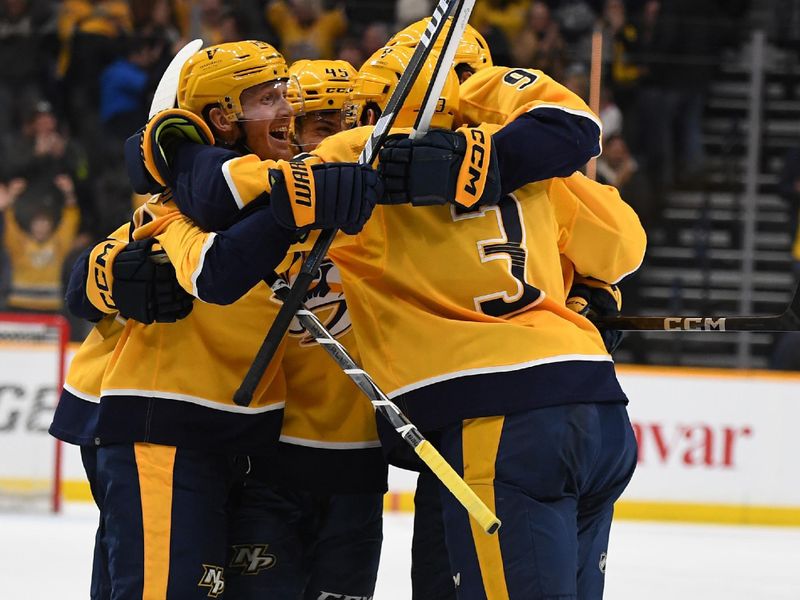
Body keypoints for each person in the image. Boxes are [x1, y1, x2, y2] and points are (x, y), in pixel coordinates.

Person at [158, 41, 646, 599]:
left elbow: (222, 206)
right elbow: (623, 246)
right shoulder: (535, 167)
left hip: (496, 417)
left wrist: (167, 144)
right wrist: (592, 291)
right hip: (596, 407)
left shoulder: (358, 154)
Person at [49, 40, 380, 599]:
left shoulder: (359, 202)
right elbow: (115, 267)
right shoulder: (226, 191)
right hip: (169, 425)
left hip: (251, 443)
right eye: (313, 118)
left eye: (342, 122)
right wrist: (107, 274)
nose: (325, 135)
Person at [0, 175, 79, 311]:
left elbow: (70, 222)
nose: (41, 227)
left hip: (50, 308)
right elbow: (9, 224)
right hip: (19, 306)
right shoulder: (19, 244)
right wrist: (11, 197)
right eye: (37, 223)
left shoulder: (58, 245)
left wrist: (68, 194)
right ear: (31, 225)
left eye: (45, 223)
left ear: (51, 226)